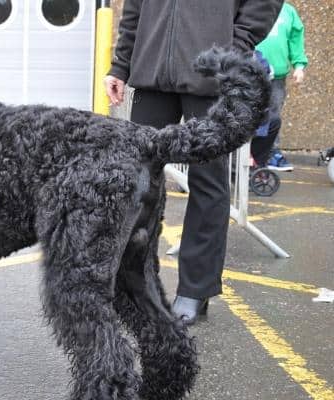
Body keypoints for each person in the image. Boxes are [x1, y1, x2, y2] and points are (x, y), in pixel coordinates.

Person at [105, 0, 283, 325]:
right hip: (151, 71)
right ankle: (131, 286)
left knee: (208, 183)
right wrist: (121, 64)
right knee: (136, 184)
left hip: (211, 76)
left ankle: (195, 290)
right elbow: (134, 6)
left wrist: (234, 47)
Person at [256, 1, 309, 172]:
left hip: (277, 77)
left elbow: (295, 39)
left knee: (273, 117)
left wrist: (299, 65)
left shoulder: (288, 11)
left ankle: (270, 154)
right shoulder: (248, 5)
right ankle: (243, 157)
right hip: (250, 75)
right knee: (248, 116)